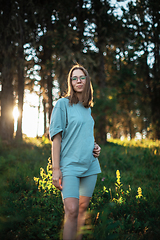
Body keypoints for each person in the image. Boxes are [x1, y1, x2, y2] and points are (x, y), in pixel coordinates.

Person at [49, 64, 101, 240]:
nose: (78, 80)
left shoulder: (87, 108)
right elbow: (56, 138)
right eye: (74, 78)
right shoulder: (62, 104)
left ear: (87, 81)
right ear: (70, 82)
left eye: (82, 77)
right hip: (69, 165)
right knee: (71, 210)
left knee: (81, 211)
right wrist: (56, 169)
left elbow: (83, 135)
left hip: (90, 166)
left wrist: (95, 146)